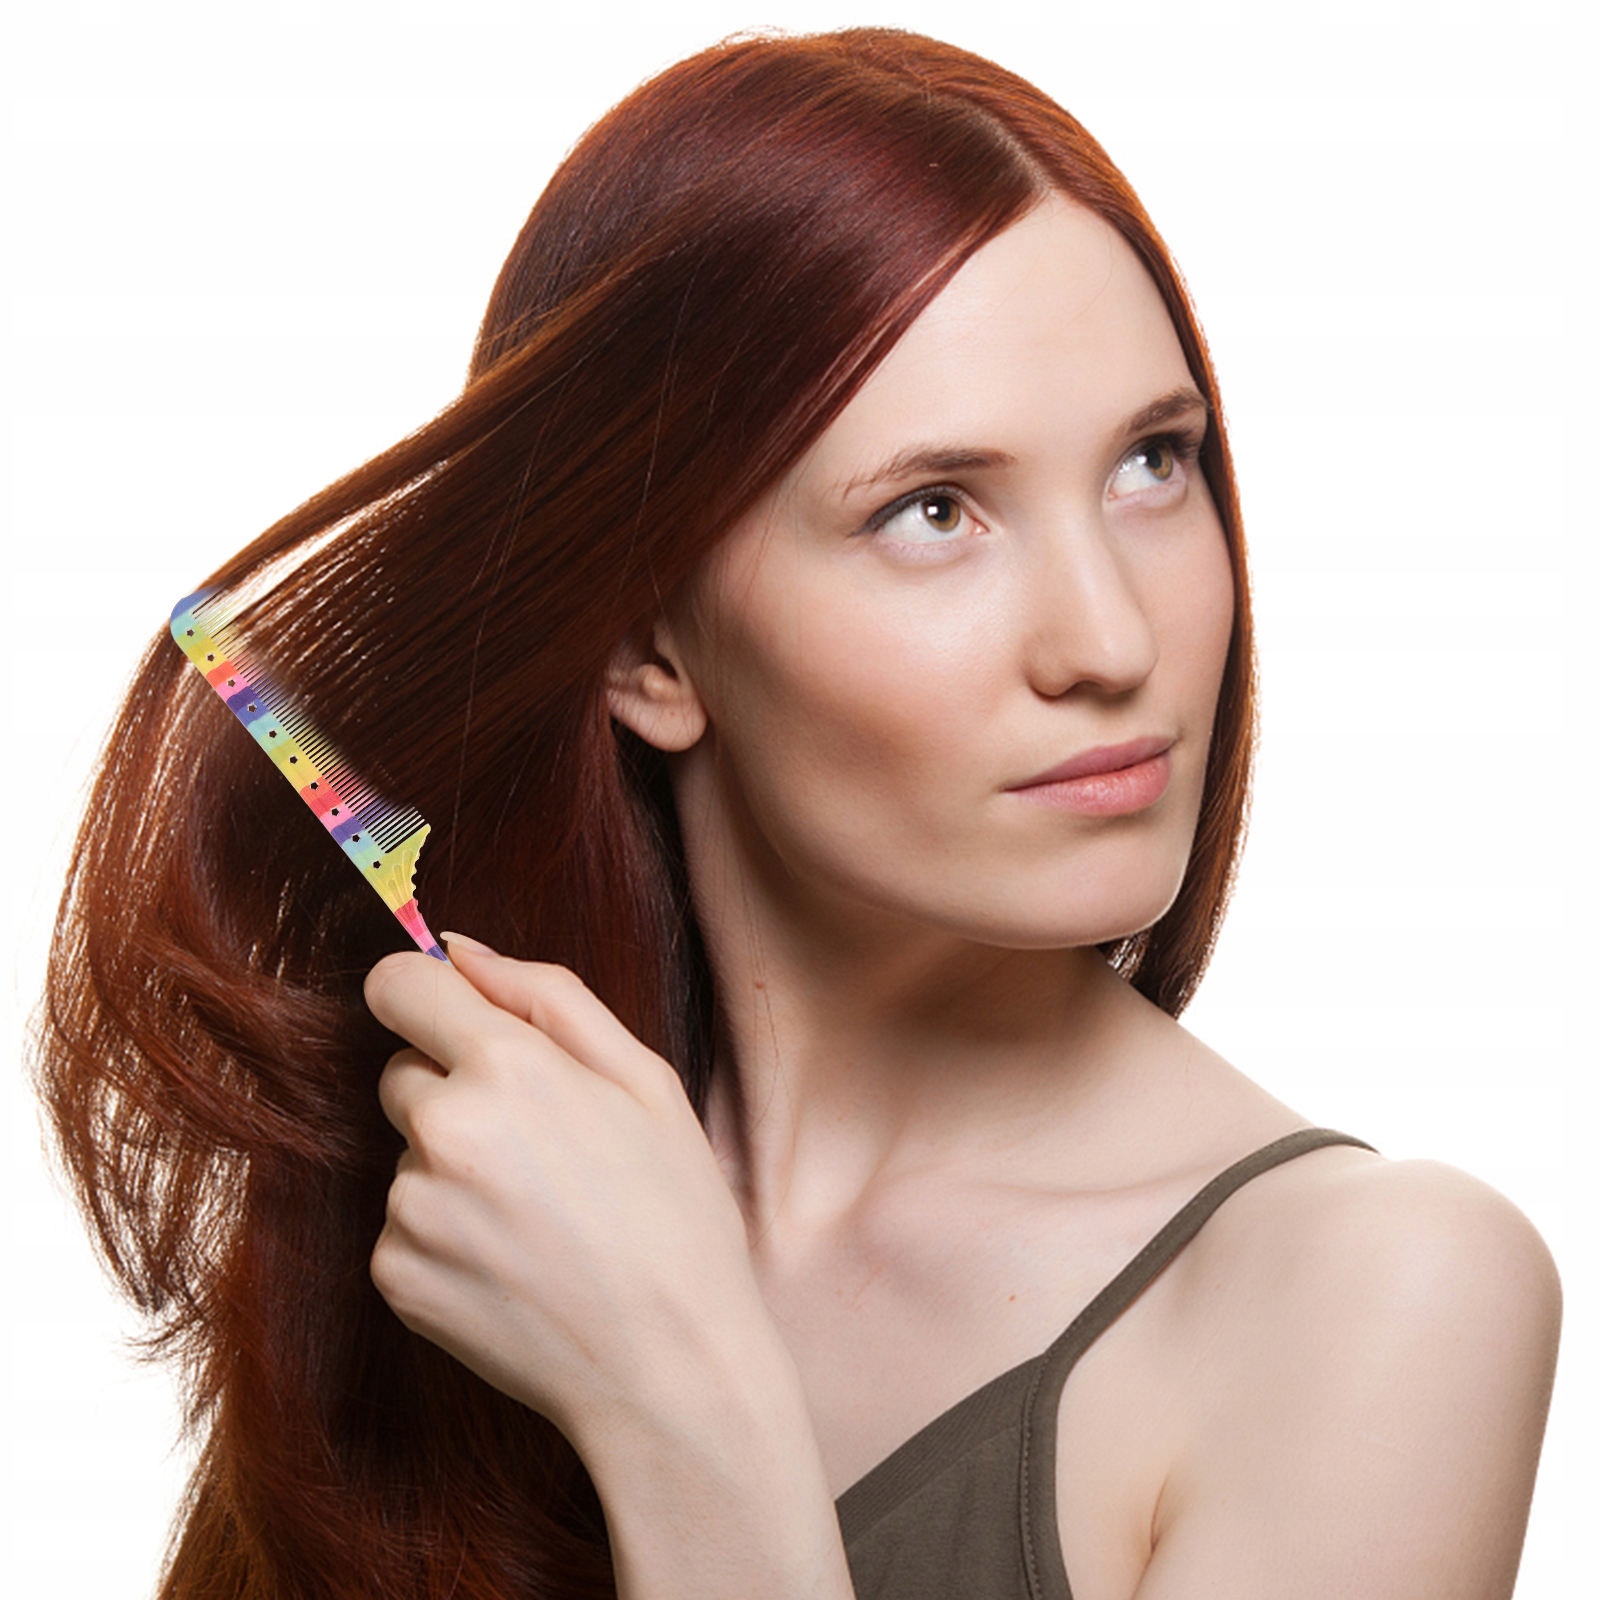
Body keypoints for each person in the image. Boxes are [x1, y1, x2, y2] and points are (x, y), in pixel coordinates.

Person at [32, 26, 1560, 1600]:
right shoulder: (484, 1200)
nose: (1112, 642)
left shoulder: (1382, 1302)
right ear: (645, 644)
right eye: (934, 510)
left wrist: (680, 1409)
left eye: (1153, 464)